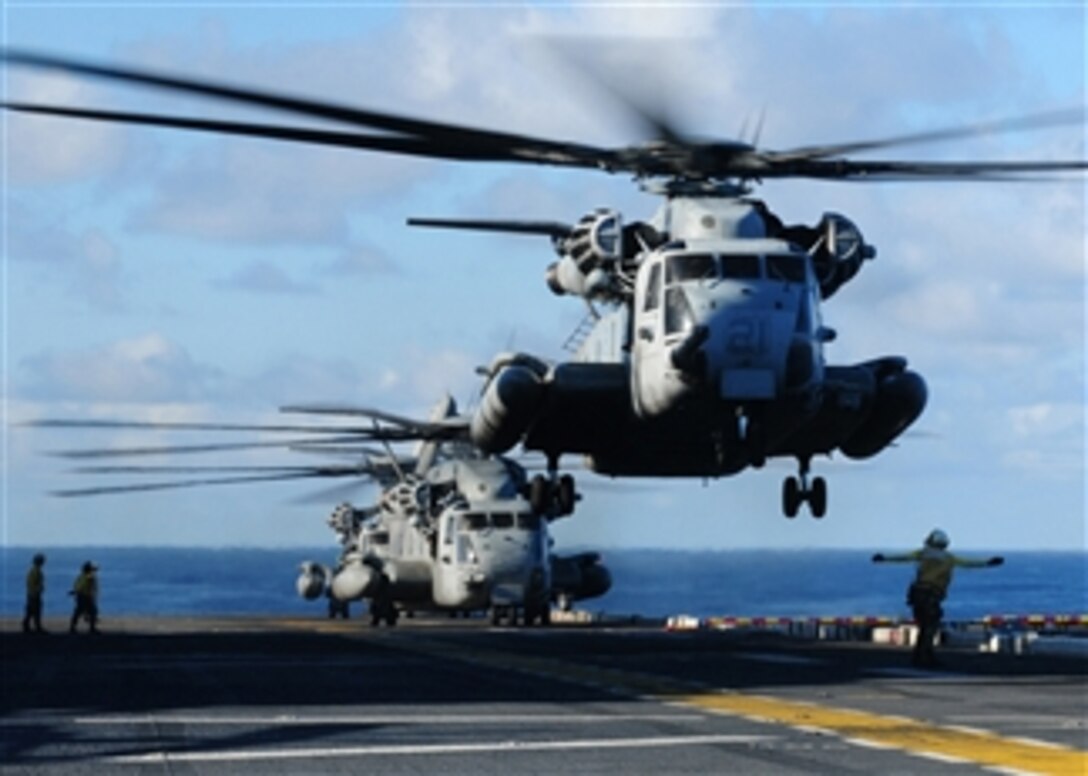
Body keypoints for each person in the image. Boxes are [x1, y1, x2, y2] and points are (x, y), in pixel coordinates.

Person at [873, 529, 1003, 667]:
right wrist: (988, 563)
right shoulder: (949, 558)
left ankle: (920, 656)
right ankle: (925, 657)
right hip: (931, 595)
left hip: (918, 594)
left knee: (925, 626)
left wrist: (884, 559)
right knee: (930, 626)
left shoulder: (923, 553)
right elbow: (969, 563)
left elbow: (902, 558)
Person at [69, 561, 100, 634]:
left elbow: (77, 585)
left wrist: (75, 592)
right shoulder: (89, 577)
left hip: (81, 596)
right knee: (92, 611)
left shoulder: (80, 576)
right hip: (85, 596)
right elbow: (84, 586)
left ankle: (73, 627)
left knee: (79, 612)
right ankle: (91, 628)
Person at [22, 553, 47, 634]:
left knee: (30, 610)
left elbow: (29, 582)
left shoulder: (32, 571)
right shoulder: (36, 572)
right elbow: (34, 583)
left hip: (31, 593)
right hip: (34, 594)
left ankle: (26, 625)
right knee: (36, 610)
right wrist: (38, 589)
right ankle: (37, 627)